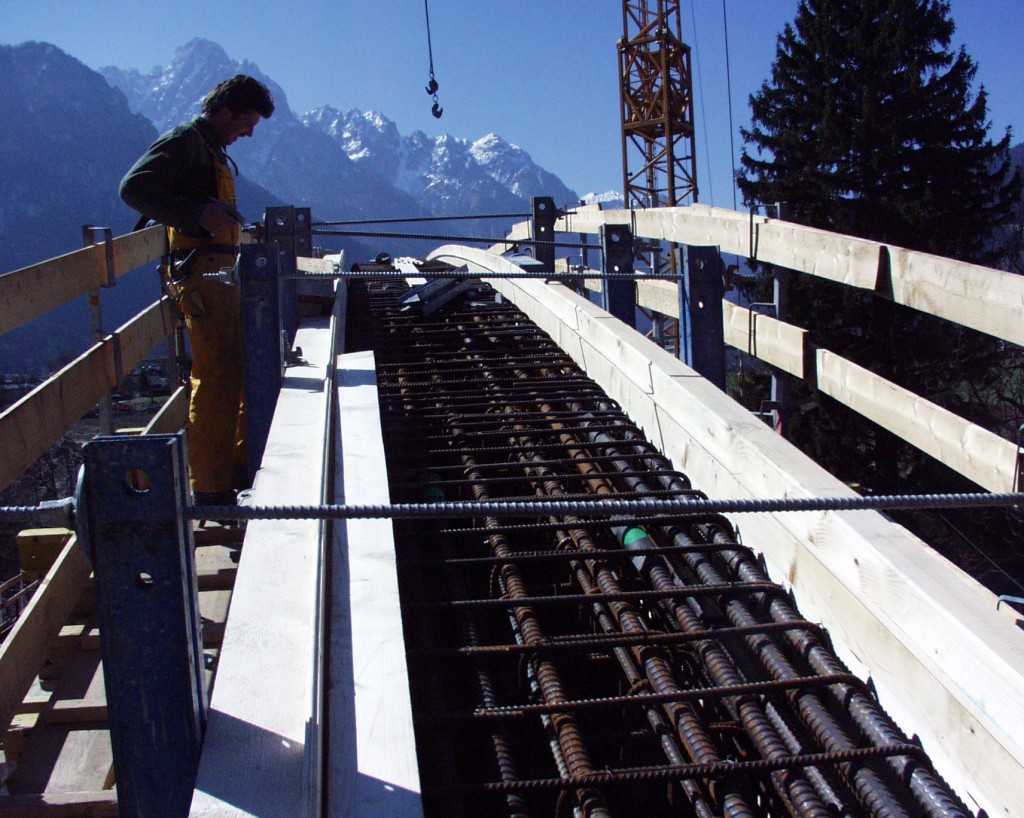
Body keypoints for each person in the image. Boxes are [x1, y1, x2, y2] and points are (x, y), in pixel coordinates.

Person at [120, 75, 274, 505]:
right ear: (225, 111)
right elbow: (133, 187)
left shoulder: (208, 149)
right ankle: (210, 486)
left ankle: (238, 467)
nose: (248, 132)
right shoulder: (185, 141)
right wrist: (195, 215)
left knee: (236, 368)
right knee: (216, 373)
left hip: (219, 273)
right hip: (201, 276)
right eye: (246, 122)